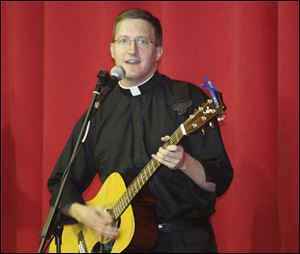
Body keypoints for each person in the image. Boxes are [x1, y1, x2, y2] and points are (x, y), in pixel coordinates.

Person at [48, 8, 233, 253]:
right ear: (112, 50)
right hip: (120, 246)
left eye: (142, 41)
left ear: (158, 52)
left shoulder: (187, 99)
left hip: (184, 242)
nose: (132, 50)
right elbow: (62, 182)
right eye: (124, 41)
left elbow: (219, 180)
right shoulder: (99, 112)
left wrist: (185, 163)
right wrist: (85, 214)